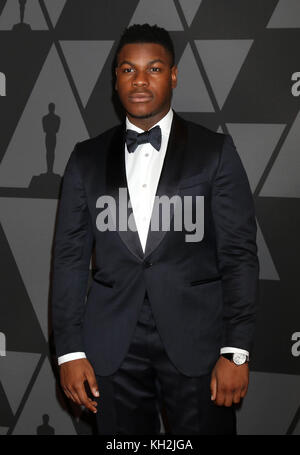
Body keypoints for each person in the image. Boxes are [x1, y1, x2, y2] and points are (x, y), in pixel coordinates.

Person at [51, 24, 259, 435]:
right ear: (116, 79)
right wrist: (69, 351)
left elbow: (238, 256)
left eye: (154, 68)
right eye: (128, 70)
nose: (140, 80)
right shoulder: (86, 158)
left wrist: (236, 351)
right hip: (111, 347)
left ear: (174, 75)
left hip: (198, 344)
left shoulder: (214, 153)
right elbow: (70, 261)